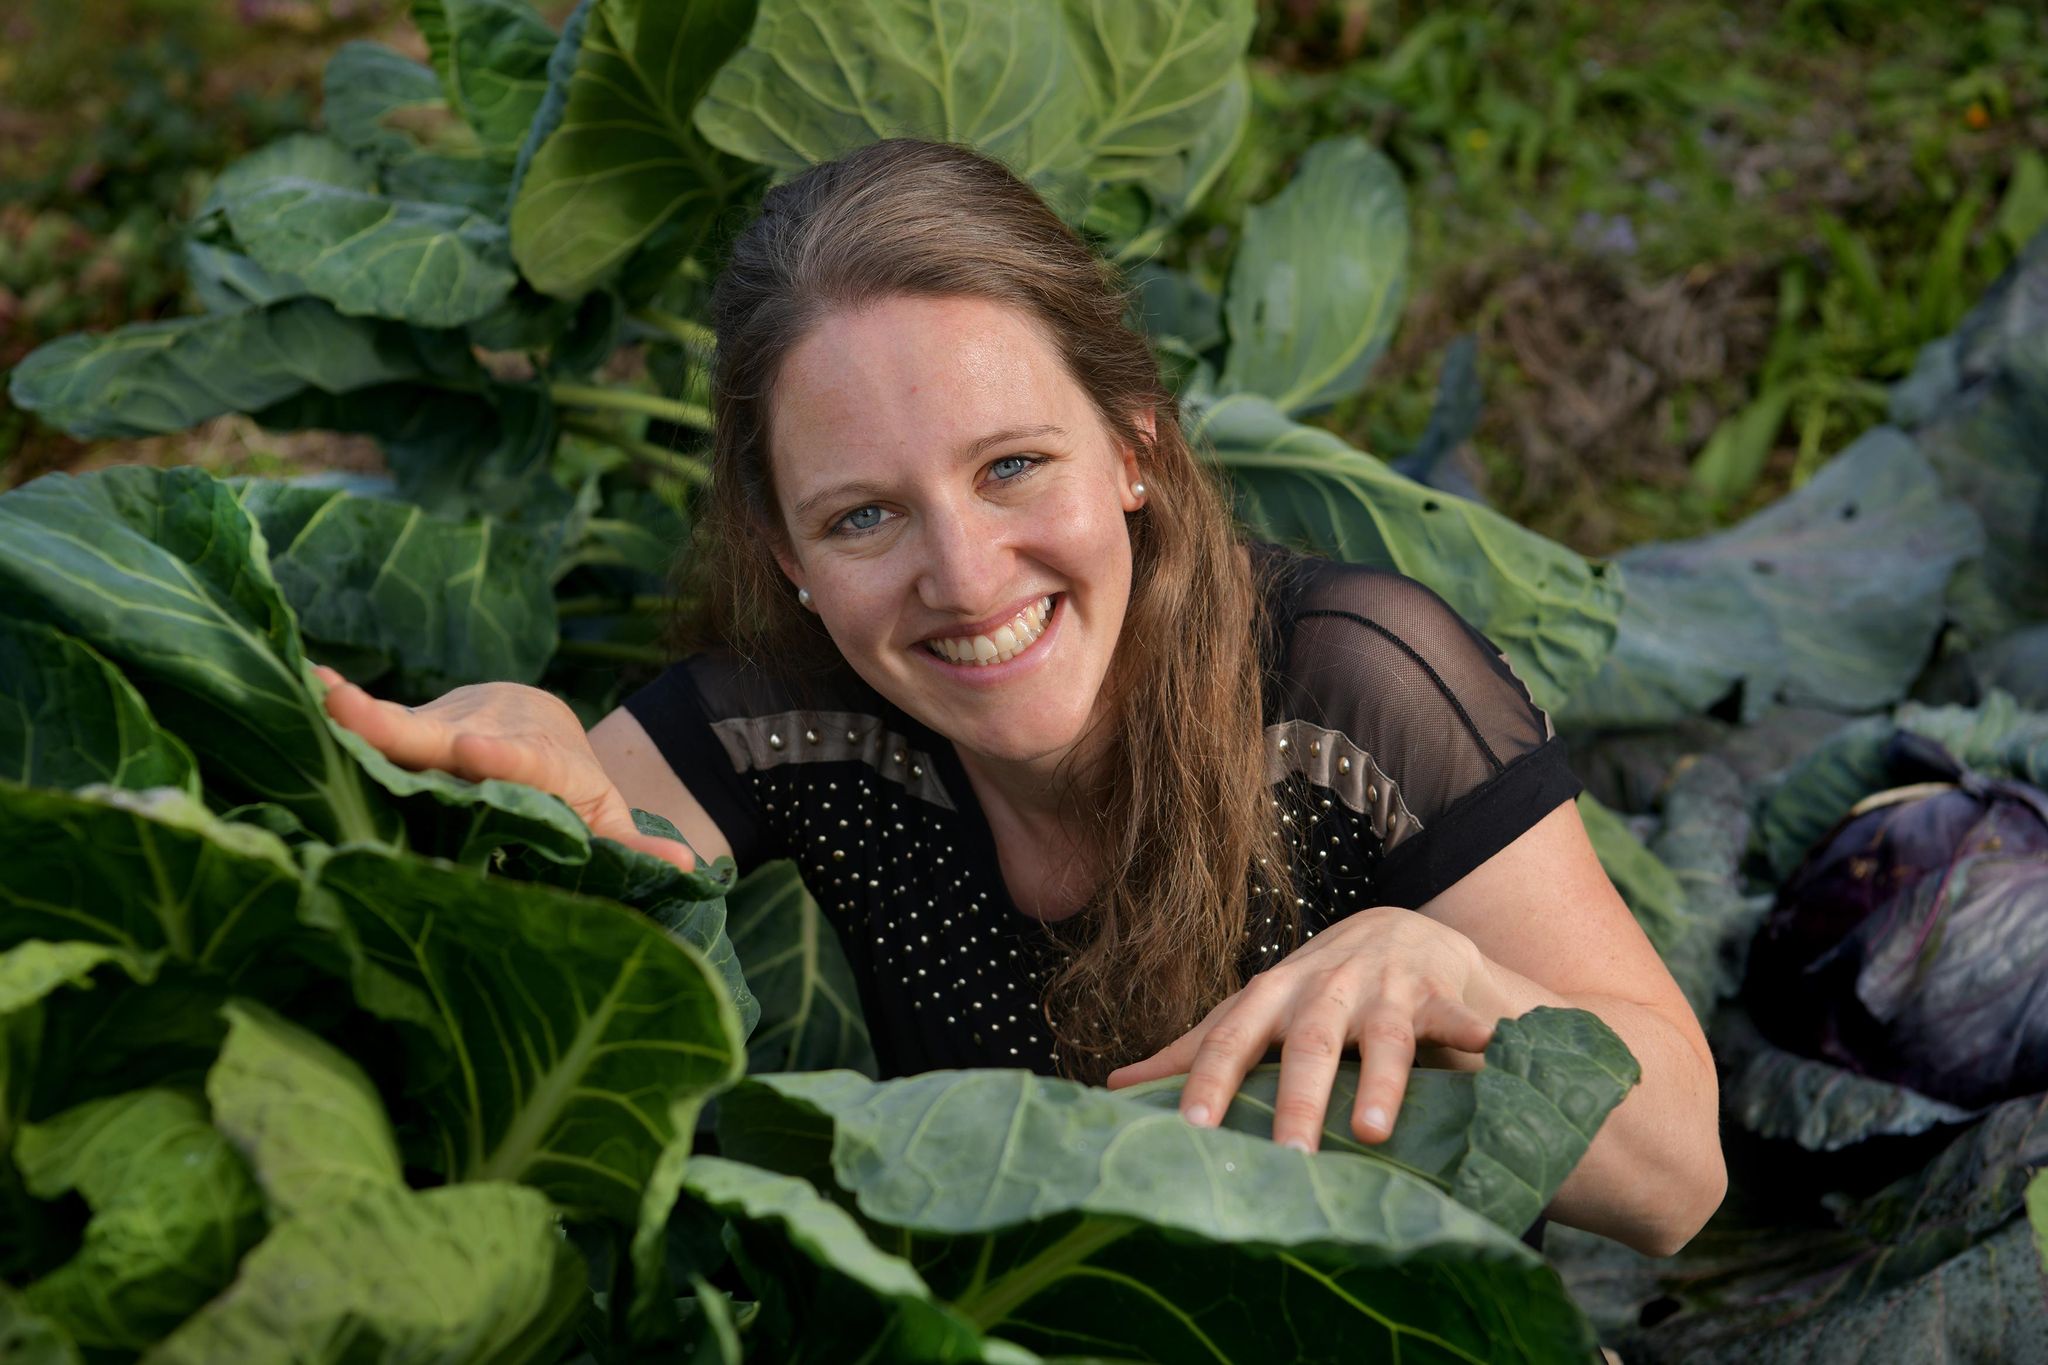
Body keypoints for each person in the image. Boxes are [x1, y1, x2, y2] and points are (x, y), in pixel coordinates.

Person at [317, 139, 1725, 1257]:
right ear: (789, 556)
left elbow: (1683, 1181)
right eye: (865, 517)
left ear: (1132, 447)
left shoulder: (1354, 687)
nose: (965, 574)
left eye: (1010, 468)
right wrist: (535, 743)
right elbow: (574, 813)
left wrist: (1468, 985)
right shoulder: (796, 722)